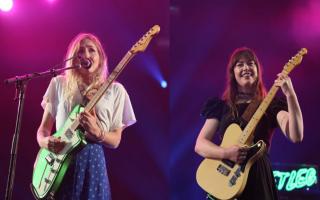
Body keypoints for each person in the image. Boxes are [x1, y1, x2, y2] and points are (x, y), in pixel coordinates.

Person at [36, 33, 136, 199]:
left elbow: (116, 140)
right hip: (59, 163)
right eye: (80, 51)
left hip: (92, 162)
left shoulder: (116, 90)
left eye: (92, 50)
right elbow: (43, 129)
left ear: (101, 57)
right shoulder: (58, 83)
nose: (86, 55)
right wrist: (45, 142)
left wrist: (99, 133)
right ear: (73, 58)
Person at [194, 47, 304, 200]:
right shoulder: (221, 106)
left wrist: (290, 94)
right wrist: (226, 153)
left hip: (257, 177)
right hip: (223, 180)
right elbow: (200, 145)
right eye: (240, 64)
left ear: (258, 70)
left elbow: (296, 135)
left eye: (251, 63)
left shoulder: (272, 105)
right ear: (233, 73)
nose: (246, 67)